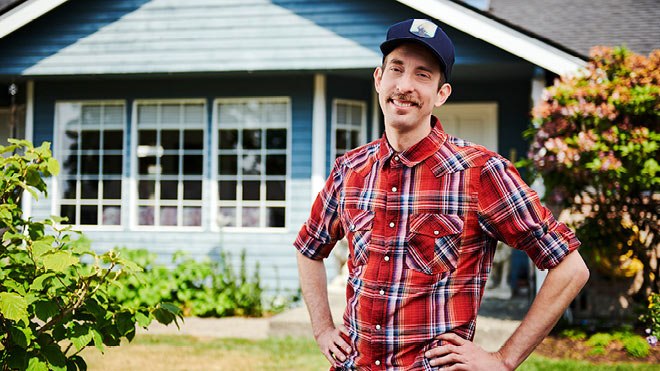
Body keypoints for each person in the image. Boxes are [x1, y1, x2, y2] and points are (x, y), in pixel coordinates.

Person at [294, 18, 589, 370]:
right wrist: (323, 329)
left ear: (441, 94)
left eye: (422, 75)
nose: (404, 85)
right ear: (378, 79)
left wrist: (504, 359)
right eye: (396, 69)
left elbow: (571, 269)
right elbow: (309, 248)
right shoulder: (349, 170)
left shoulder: (481, 172)